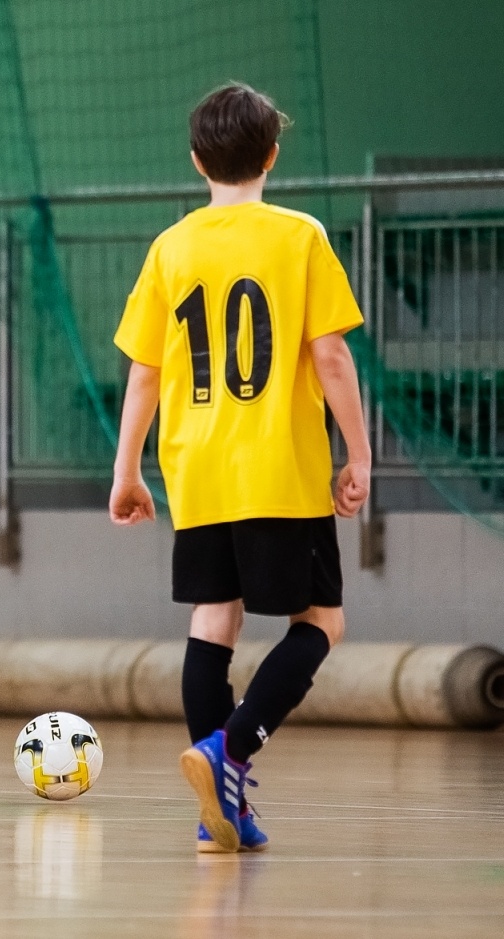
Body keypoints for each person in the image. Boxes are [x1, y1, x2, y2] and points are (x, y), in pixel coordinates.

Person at [108, 83, 369, 852]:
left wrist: (126, 470)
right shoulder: (300, 235)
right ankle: (232, 747)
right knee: (320, 621)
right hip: (279, 464)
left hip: (196, 467)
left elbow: (146, 373)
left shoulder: (172, 246)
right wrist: (359, 451)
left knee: (212, 619)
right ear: (272, 156)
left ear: (197, 161)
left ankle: (216, 808)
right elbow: (331, 355)